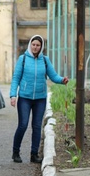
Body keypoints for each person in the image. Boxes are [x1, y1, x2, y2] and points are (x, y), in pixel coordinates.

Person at [9, 35, 69, 164]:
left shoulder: (45, 60)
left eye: (38, 45)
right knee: (23, 125)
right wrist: (13, 95)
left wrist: (62, 80)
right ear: (30, 45)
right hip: (25, 97)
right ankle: (16, 152)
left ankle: (34, 154)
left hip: (40, 99)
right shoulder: (23, 59)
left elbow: (53, 76)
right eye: (33, 44)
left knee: (37, 126)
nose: (35, 47)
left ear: (41, 47)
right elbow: (16, 78)